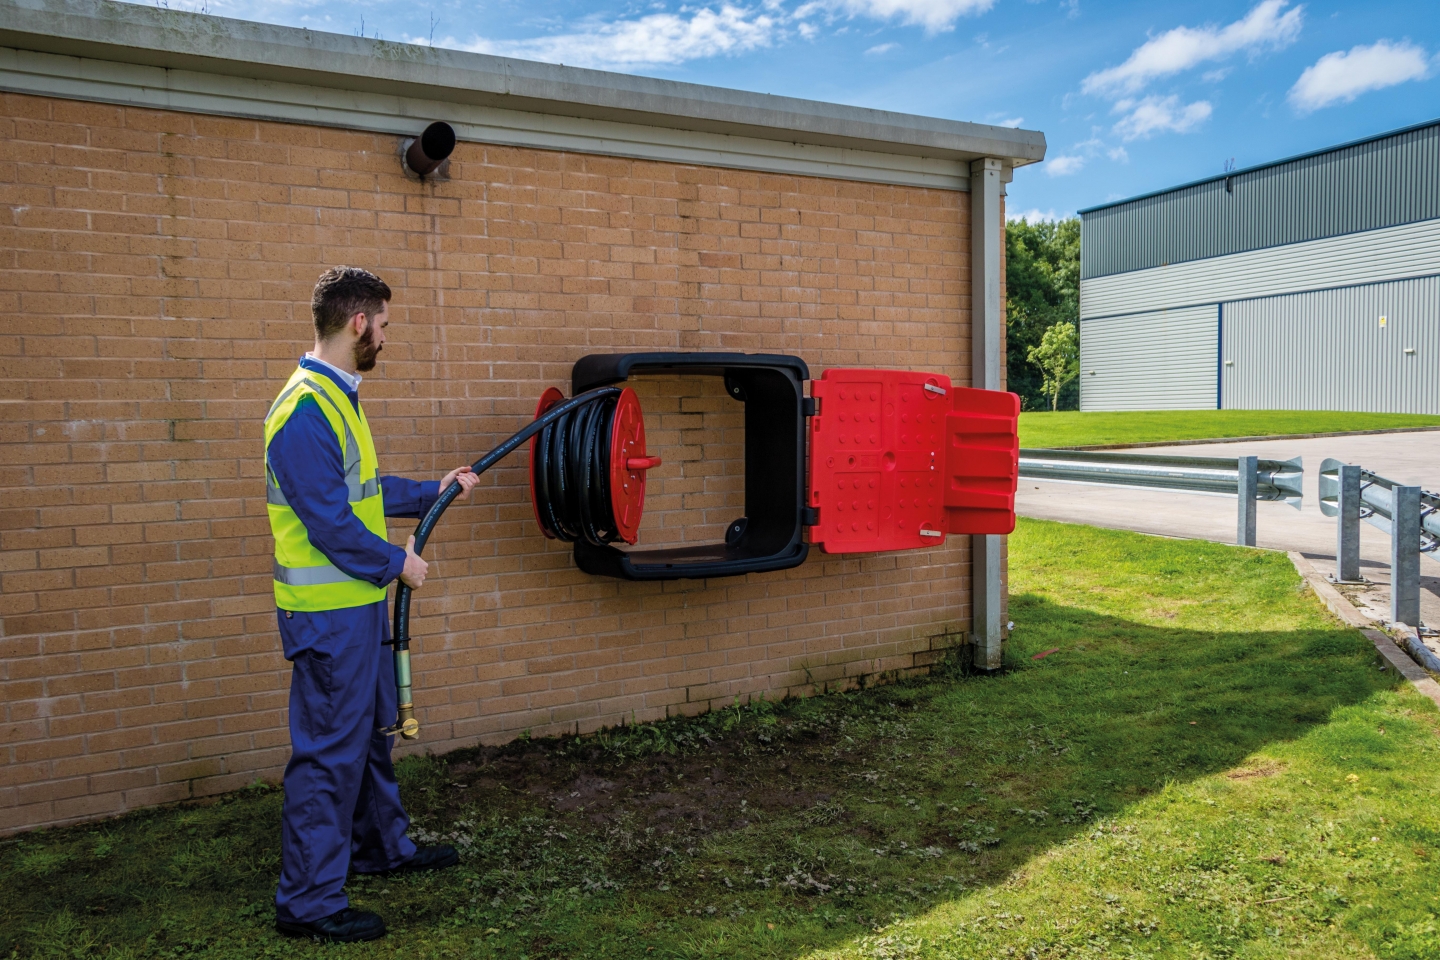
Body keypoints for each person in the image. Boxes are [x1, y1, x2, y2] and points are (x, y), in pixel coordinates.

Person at [264, 266, 480, 942]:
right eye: (383, 326)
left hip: (353, 610)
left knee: (369, 738)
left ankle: (381, 848)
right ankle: (307, 902)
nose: (385, 338)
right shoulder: (304, 409)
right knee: (329, 753)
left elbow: (360, 489)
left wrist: (429, 492)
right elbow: (329, 521)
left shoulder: (336, 398)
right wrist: (399, 565)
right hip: (328, 620)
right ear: (358, 323)